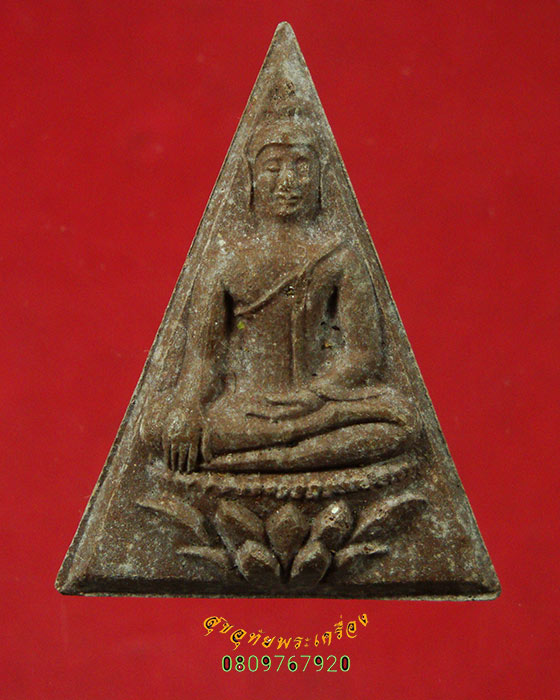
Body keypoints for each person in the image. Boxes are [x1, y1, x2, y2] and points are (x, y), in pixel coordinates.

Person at [140, 110, 420, 474]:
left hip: (317, 405)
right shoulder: (224, 262)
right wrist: (186, 408)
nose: (288, 182)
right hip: (245, 408)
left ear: (319, 176)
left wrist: (313, 396)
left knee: (402, 418)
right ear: (251, 178)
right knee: (155, 426)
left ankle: (264, 456)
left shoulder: (339, 257)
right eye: (273, 168)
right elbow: (203, 360)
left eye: (301, 167)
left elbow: (363, 353)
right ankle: (292, 451)